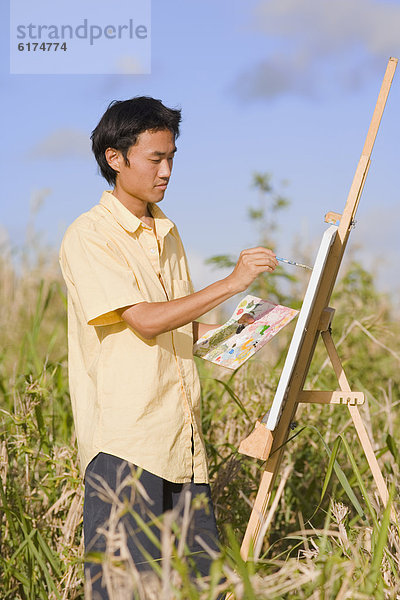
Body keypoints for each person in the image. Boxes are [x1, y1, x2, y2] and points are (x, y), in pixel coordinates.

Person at [59, 96, 277, 598]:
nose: (167, 171)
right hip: (127, 449)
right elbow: (146, 320)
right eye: (155, 159)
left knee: (205, 586)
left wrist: (266, 330)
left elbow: (188, 332)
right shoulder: (90, 236)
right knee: (125, 590)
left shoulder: (168, 232)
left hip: (185, 448)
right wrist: (230, 284)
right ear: (116, 159)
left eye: (172, 157)